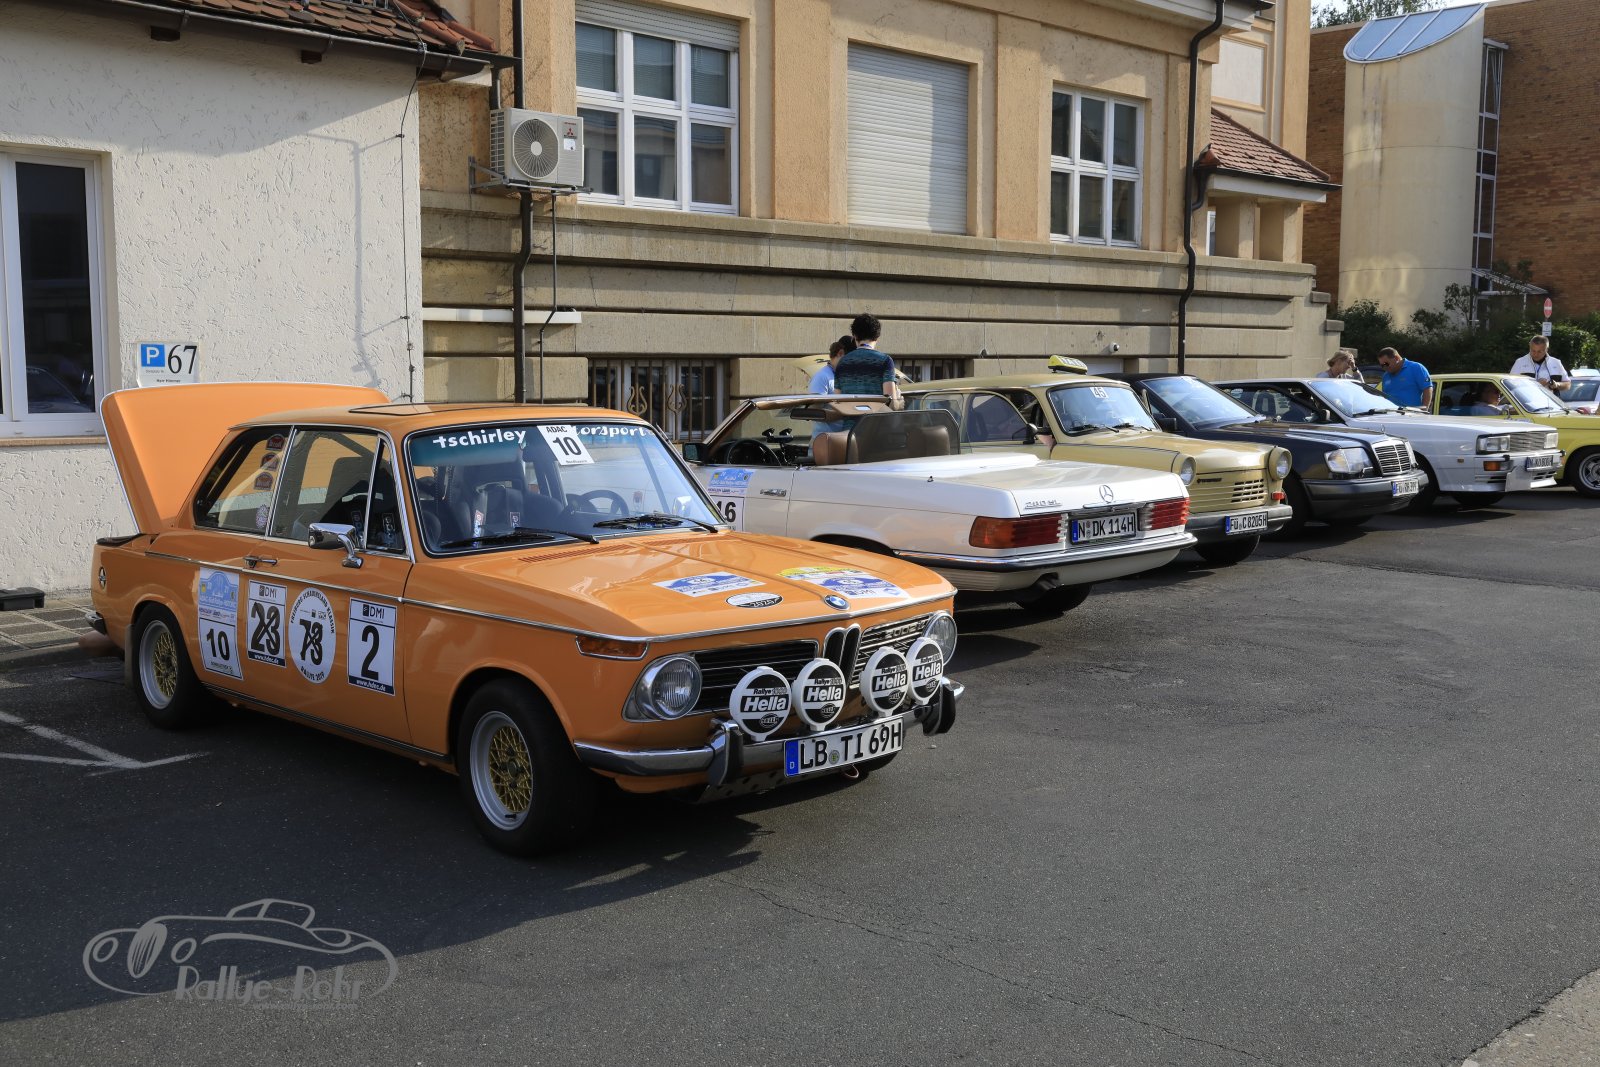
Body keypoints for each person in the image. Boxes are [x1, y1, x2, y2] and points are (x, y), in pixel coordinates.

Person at [833, 313, 901, 408]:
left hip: (850, 417)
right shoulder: (885, 361)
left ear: (854, 336)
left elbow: (837, 403)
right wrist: (899, 402)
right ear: (877, 336)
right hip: (876, 417)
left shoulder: (842, 363)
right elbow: (890, 405)